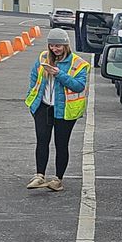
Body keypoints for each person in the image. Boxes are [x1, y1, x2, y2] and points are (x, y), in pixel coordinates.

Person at [25, 28, 90, 191]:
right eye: (52, 45)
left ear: (66, 45)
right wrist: (32, 101)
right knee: (42, 141)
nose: (55, 49)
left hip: (65, 111)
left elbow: (79, 86)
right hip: (43, 107)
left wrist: (59, 74)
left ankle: (57, 179)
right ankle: (39, 175)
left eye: (59, 46)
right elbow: (34, 77)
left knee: (61, 144)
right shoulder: (42, 58)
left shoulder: (79, 63)